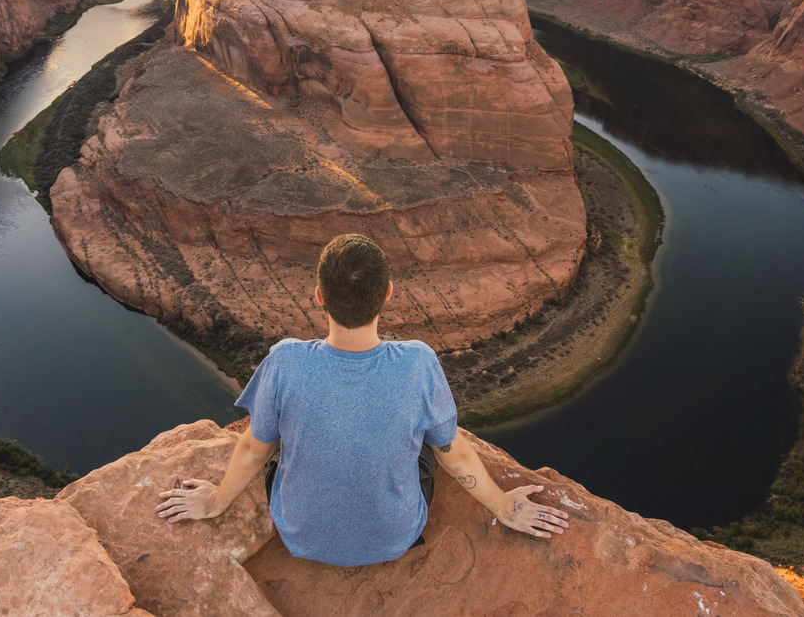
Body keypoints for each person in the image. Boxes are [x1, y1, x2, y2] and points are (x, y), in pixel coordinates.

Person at [155, 233, 569, 566]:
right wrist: (503, 506)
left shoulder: (284, 361)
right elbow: (454, 455)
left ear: (319, 296)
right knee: (430, 433)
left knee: (286, 427)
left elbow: (252, 449)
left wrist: (212, 503)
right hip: (395, 539)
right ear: (388, 293)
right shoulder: (418, 363)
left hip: (300, 535)